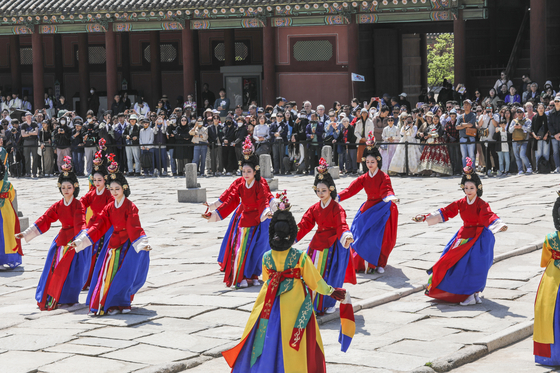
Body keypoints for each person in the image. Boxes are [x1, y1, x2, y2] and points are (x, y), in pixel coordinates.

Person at [222, 203, 352, 373]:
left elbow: (267, 279)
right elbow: (315, 282)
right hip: (295, 305)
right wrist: (332, 292)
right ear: (291, 235)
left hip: (269, 303)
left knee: (265, 336)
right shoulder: (300, 257)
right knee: (296, 340)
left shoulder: (267, 257)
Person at [412, 158, 507, 305]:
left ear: (478, 188)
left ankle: (474, 293)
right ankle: (465, 294)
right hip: (463, 236)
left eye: (472, 188)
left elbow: (488, 215)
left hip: (480, 237)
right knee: (454, 263)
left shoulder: (482, 204)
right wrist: (425, 217)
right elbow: (446, 212)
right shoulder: (461, 203)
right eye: (466, 188)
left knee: (477, 266)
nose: (468, 191)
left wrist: (498, 224)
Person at [71, 159, 151, 315]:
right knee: (108, 275)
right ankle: (111, 304)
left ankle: (123, 302)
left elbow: (134, 226)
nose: (114, 192)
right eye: (112, 189)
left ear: (124, 189)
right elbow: (99, 225)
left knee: (125, 274)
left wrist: (142, 243)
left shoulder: (130, 206)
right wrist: (82, 239)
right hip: (113, 245)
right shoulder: (109, 207)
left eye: (117, 189)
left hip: (128, 245)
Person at [16, 157, 91, 310]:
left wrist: (81, 239)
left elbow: (81, 222)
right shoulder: (58, 205)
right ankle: (51, 295)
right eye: (63, 187)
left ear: (75, 188)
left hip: (75, 240)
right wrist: (26, 233)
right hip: (61, 241)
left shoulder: (78, 204)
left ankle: (68, 297)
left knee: (72, 271)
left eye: (69, 187)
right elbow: (45, 218)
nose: (66, 190)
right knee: (53, 269)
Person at [203, 136, 273, 288]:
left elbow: (264, 199)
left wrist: (267, 211)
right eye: (243, 171)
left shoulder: (260, 184)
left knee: (258, 250)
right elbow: (230, 200)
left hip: (260, 220)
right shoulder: (240, 184)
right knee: (241, 250)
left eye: (249, 171)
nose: (246, 174)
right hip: (244, 220)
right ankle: (242, 276)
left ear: (255, 171)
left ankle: (253, 274)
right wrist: (214, 213)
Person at [296, 158, 354, 314]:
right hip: (316, 244)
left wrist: (346, 236)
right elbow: (304, 224)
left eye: (324, 190)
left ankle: (330, 302)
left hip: (334, 244)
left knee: (331, 273)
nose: (320, 193)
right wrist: (291, 236)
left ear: (331, 190)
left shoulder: (337, 208)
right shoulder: (314, 208)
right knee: (312, 272)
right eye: (318, 190)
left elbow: (342, 224)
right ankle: (311, 300)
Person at [338, 138, 398, 275]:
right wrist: (338, 197)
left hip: (383, 208)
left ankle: (380, 263)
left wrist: (390, 196)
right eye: (368, 162)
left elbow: (387, 189)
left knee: (383, 238)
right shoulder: (364, 177)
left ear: (378, 161)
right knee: (360, 234)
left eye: (373, 162)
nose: (370, 164)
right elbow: (350, 189)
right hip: (368, 207)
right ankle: (364, 262)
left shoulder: (384, 177)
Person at [79, 150, 114, 288]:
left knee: (100, 253)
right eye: (95, 180)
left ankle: (98, 280)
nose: (97, 182)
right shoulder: (91, 193)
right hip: (92, 225)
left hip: (104, 226)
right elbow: (82, 202)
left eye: (100, 180)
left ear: (105, 179)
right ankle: (87, 280)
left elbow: (111, 208)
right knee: (89, 252)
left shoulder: (108, 193)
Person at [533, 195, 560, 366]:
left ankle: (553, 355)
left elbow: (545, 260)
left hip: (553, 277)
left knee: (549, 313)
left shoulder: (550, 238)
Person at [0, 160, 23, 268]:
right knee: (8, 235)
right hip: (6, 211)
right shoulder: (7, 185)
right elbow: (11, 196)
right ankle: (8, 258)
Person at [509, 107, 533, 175]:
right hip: (515, 140)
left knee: (522, 155)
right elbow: (509, 131)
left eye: (520, 112)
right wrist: (514, 127)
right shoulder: (513, 121)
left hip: (524, 140)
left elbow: (529, 129)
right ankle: (520, 169)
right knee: (517, 156)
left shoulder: (527, 120)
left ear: (523, 113)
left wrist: (521, 127)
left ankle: (529, 167)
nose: (519, 113)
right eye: (518, 112)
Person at [456, 99, 478, 168]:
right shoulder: (460, 116)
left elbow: (471, 125)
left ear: (470, 106)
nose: (465, 105)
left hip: (471, 138)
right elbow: (457, 127)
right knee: (464, 156)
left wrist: (462, 124)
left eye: (467, 104)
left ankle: (472, 170)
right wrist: (465, 124)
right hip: (462, 138)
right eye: (464, 104)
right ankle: (465, 170)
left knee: (471, 155)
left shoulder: (473, 115)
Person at [548, 96, 560, 173]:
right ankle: (558, 167)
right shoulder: (550, 113)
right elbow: (549, 124)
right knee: (555, 152)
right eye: (555, 101)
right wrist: (555, 134)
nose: (556, 103)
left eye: (558, 101)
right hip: (554, 136)